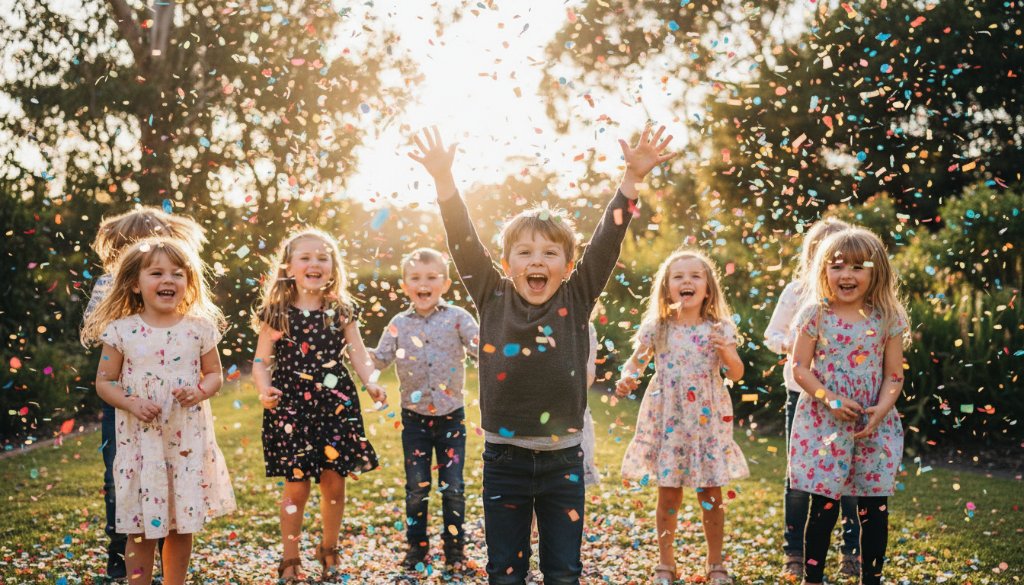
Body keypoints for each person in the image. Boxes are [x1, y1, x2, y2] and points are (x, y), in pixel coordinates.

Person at [410, 124, 675, 585]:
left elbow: (607, 244)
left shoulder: (576, 298)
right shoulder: (491, 296)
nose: (537, 261)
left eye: (550, 253)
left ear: (568, 266)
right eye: (525, 252)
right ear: (507, 263)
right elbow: (462, 239)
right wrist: (443, 182)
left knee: (564, 572)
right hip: (504, 461)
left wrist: (630, 181)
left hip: (562, 464)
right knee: (505, 573)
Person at [81, 237, 235, 585]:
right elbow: (104, 381)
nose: (168, 280)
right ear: (135, 284)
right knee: (140, 526)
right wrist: (132, 401)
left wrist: (198, 391)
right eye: (157, 273)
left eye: (177, 273)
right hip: (141, 443)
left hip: (184, 444)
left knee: (181, 523)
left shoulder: (199, 329)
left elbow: (214, 374)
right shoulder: (121, 331)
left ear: (188, 282)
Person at [252, 228, 386, 584]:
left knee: (334, 482)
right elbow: (261, 361)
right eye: (306, 257)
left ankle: (329, 548)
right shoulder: (276, 312)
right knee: (296, 485)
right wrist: (264, 390)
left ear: (333, 266)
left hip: (335, 403)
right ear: (289, 266)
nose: (315, 263)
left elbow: (358, 352)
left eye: (322, 257)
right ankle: (290, 556)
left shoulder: (339, 309)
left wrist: (370, 381)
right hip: (291, 405)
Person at [616, 250, 748, 585]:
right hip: (669, 417)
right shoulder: (657, 327)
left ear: (708, 288)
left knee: (710, 494)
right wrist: (627, 377)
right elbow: (636, 362)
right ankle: (665, 563)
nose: (686, 281)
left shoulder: (719, 328)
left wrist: (726, 351)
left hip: (707, 419)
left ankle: (715, 563)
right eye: (678, 277)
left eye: (695, 276)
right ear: (666, 288)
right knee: (668, 493)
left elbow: (736, 373)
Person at [789, 227, 909, 585]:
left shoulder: (888, 316)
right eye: (837, 266)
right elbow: (798, 367)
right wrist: (831, 399)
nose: (846, 275)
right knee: (823, 505)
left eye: (858, 267)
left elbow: (894, 375)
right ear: (824, 271)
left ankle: (871, 578)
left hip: (872, 422)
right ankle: (813, 578)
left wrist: (882, 409)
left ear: (876, 273)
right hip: (823, 423)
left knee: (874, 507)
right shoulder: (816, 313)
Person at [762, 218, 861, 579]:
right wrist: (796, 344)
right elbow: (772, 335)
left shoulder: (858, 298)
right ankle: (795, 551)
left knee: (850, 476)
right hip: (800, 395)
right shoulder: (797, 291)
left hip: (849, 399)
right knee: (799, 478)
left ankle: (852, 550)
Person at [370, 247, 479, 573]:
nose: (424, 283)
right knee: (416, 487)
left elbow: (481, 348)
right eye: (416, 278)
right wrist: (352, 346)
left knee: (453, 487)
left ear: (444, 283)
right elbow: (379, 360)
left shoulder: (458, 317)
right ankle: (416, 548)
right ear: (405, 285)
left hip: (451, 418)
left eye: (431, 277)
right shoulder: (398, 323)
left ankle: (455, 550)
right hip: (414, 419)